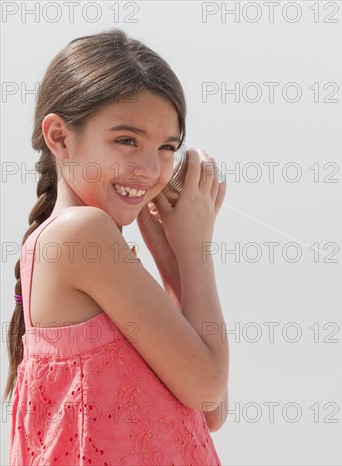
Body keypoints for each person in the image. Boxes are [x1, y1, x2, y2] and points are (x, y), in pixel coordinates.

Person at [5, 29, 228, 465]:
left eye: (167, 147)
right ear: (60, 137)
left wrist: (172, 258)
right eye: (126, 140)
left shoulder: (94, 245)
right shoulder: (81, 235)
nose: (148, 168)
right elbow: (208, 386)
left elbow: (208, 409)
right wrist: (197, 247)